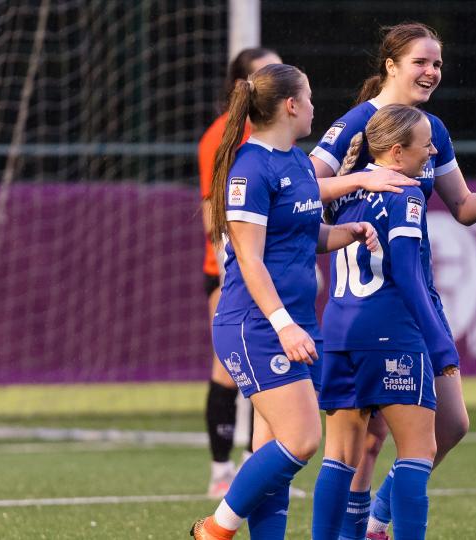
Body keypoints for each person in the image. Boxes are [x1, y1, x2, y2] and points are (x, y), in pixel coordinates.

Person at [309, 22, 476, 540]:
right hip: (390, 308)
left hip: (390, 305)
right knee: (371, 442)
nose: (431, 72)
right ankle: (363, 530)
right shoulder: (357, 125)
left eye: (438, 64)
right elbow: (301, 188)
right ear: (390, 65)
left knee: (450, 426)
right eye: (421, 62)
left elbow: (463, 206)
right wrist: (359, 178)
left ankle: (377, 517)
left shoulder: (430, 132)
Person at [190, 63, 406, 540]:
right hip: (257, 324)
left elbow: (305, 235)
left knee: (274, 447)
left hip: (295, 322)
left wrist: (346, 232)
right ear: (291, 106)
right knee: (302, 440)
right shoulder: (250, 167)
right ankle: (215, 529)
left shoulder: (294, 161)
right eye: (308, 97)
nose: (313, 106)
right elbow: (249, 258)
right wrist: (284, 324)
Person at [311, 104, 458, 540]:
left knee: (338, 457)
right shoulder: (405, 193)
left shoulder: (343, 192)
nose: (432, 151)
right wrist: (441, 346)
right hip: (391, 334)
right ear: (396, 152)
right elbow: (408, 275)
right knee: (419, 450)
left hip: (338, 332)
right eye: (425, 144)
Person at [199, 46, 282, 500]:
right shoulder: (223, 137)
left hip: (269, 272)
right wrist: (234, 267)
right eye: (264, 71)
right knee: (230, 368)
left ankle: (257, 466)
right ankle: (219, 470)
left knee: (269, 366)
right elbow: (213, 209)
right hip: (233, 272)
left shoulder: (275, 136)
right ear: (243, 85)